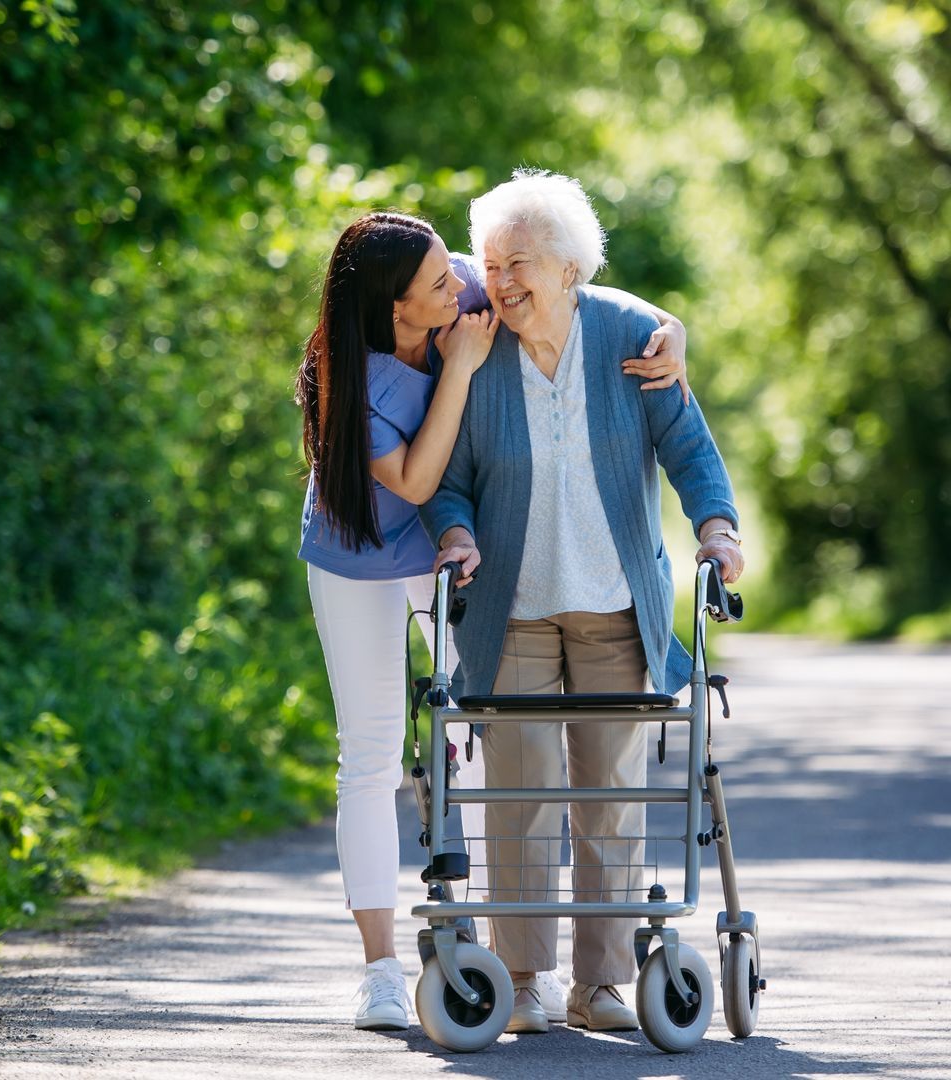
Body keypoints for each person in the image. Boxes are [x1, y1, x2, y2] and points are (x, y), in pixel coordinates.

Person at [295, 209, 694, 1031]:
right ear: (397, 308)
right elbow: (412, 479)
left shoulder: (456, 299)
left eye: (456, 271)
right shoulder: (353, 374)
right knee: (370, 753)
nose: (468, 286)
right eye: (442, 283)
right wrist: (462, 370)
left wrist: (666, 326)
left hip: (461, 550)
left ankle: (497, 949)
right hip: (364, 552)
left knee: (484, 736)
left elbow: (565, 285)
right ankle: (378, 967)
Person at [419, 170, 746, 1035]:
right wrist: (455, 533)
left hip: (613, 604)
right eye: (491, 264)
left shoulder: (633, 336)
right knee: (518, 801)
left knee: (611, 799)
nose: (502, 281)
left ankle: (599, 986)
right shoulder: (477, 347)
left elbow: (689, 445)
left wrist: (717, 530)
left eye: (520, 262)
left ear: (571, 268)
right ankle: (522, 979)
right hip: (511, 608)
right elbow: (448, 478)